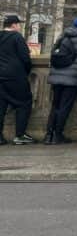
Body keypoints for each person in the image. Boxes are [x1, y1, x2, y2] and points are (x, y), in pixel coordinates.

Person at [45, 17, 77, 144]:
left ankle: (48, 135)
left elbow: (54, 51)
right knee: (64, 107)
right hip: (72, 78)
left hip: (56, 76)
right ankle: (58, 135)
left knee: (55, 105)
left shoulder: (63, 36)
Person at [0, 15, 34, 145]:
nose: (20, 27)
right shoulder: (17, 37)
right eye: (19, 24)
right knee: (24, 103)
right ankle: (20, 135)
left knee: (1, 106)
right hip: (14, 76)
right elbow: (25, 58)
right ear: (13, 25)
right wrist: (25, 72)